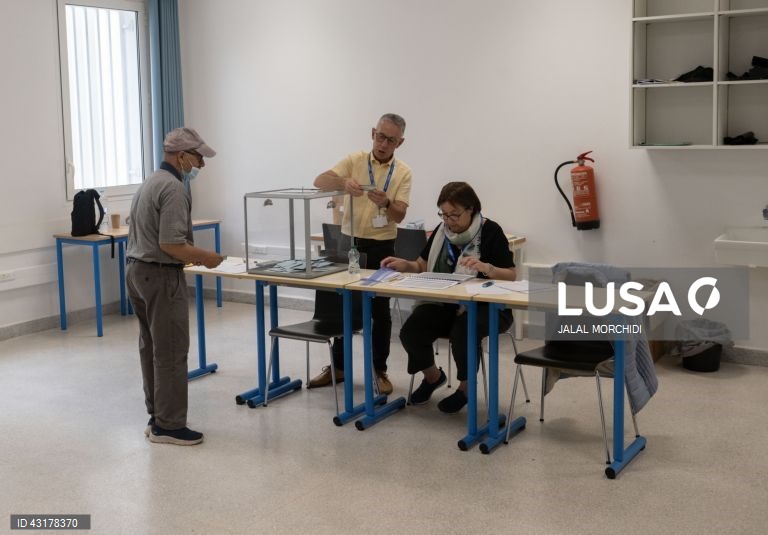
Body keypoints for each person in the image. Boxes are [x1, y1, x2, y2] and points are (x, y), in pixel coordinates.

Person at [381, 181, 516, 413]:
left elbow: (511, 275)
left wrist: (488, 268)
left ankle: (465, 388)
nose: (449, 221)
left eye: (455, 215)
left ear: (471, 209)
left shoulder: (490, 231)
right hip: (447, 304)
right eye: (444, 214)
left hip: (489, 308)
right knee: (412, 330)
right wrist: (406, 264)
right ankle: (433, 377)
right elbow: (422, 264)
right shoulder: (441, 232)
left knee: (463, 330)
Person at [126, 127, 224, 445]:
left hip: (137, 272)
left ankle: (157, 416)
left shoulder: (150, 182)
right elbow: (172, 244)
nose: (201, 166)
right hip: (161, 276)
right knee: (170, 350)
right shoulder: (173, 188)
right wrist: (206, 257)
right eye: (198, 158)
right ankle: (169, 425)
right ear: (181, 156)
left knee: (152, 347)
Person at [311, 113, 412, 395]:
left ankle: (379, 369)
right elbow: (320, 180)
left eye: (390, 140)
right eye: (380, 136)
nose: (383, 143)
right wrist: (342, 183)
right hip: (349, 242)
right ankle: (339, 367)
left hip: (382, 245)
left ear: (399, 143)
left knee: (379, 310)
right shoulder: (355, 160)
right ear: (372, 133)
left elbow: (400, 215)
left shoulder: (403, 171)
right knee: (343, 306)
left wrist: (388, 202)